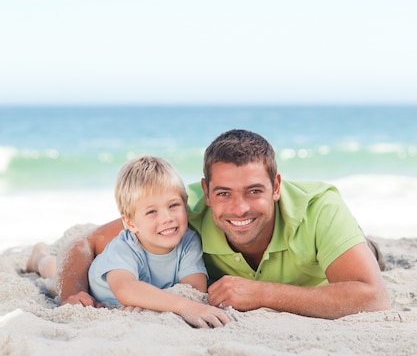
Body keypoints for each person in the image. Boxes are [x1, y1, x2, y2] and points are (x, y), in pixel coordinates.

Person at [29, 129, 390, 319]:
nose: (239, 208)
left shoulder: (320, 208)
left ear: (276, 186)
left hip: (323, 254)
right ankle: (39, 257)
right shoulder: (183, 210)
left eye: (254, 191)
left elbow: (374, 297)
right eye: (224, 193)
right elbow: (86, 242)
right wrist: (70, 294)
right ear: (204, 190)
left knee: (367, 257)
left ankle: (365, 246)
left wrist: (262, 294)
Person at [28, 155, 231, 329]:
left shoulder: (188, 241)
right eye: (152, 211)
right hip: (96, 282)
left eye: (174, 205)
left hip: (145, 291)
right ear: (130, 223)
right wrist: (182, 307)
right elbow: (126, 289)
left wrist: (149, 302)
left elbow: (193, 288)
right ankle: (39, 257)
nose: (167, 218)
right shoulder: (124, 246)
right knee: (53, 273)